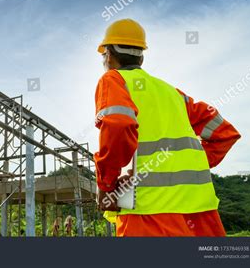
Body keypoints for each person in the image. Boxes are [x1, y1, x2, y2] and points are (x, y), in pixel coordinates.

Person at [94, 19, 241, 236]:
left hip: (149, 214)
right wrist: (187, 165)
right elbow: (224, 134)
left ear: (108, 55)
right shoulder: (173, 93)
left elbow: (118, 125)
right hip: (202, 214)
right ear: (141, 56)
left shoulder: (113, 80)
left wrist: (107, 185)